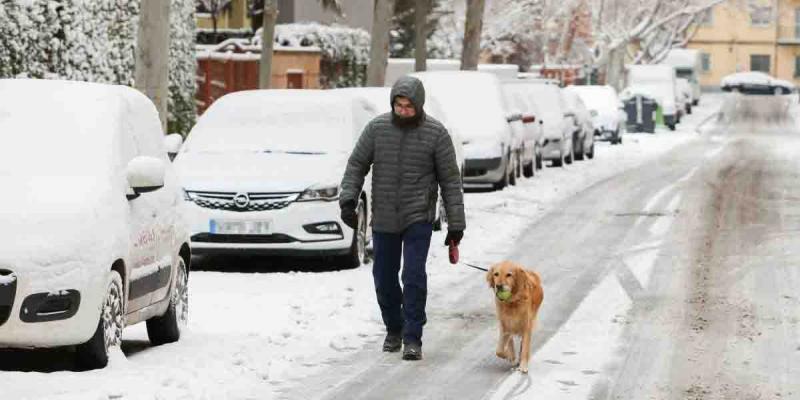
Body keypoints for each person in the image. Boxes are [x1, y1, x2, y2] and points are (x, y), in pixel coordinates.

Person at [339, 76, 466, 361]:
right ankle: (394, 328)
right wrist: (348, 199)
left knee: (412, 275)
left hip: (418, 215)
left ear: (419, 105)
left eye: (409, 106)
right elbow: (356, 164)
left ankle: (412, 337)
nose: (403, 111)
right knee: (383, 277)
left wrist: (456, 223)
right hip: (384, 215)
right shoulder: (376, 129)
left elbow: (450, 181)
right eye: (399, 105)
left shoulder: (436, 133)